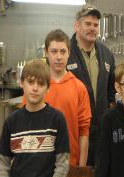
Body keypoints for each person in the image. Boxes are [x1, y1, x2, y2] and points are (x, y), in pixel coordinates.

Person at [67, 5, 115, 166]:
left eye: (95, 25)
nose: (92, 28)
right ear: (77, 26)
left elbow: (111, 93)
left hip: (100, 129)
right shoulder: (65, 52)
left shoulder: (107, 54)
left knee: (99, 171)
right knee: (74, 172)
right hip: (74, 129)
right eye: (87, 24)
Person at [43, 29, 91, 167]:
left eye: (63, 51)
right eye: (54, 51)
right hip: (40, 165)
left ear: (69, 53)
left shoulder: (79, 88)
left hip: (69, 164)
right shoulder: (37, 87)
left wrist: (81, 168)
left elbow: (84, 131)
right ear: (46, 53)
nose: (59, 57)